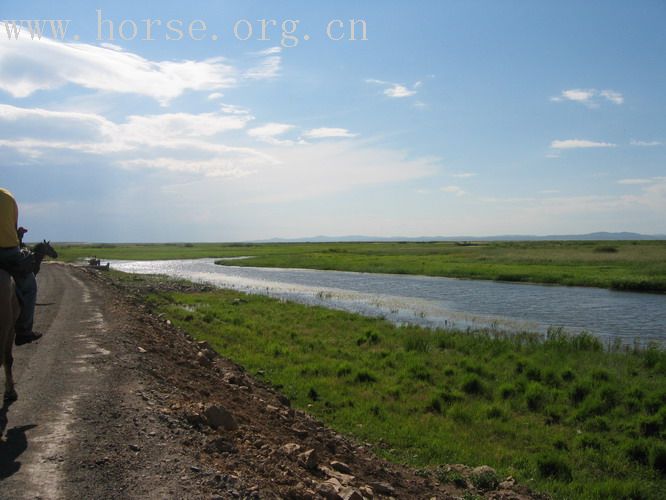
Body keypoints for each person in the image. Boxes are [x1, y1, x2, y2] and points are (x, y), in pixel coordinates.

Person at [0, 187, 41, 344]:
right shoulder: (7, 196)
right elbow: (11, 225)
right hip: (7, 252)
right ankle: (24, 331)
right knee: (29, 286)